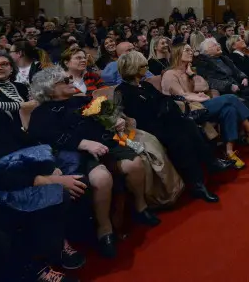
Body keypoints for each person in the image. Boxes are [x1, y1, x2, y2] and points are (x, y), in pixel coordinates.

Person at [0, 70, 85, 281]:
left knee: (73, 179)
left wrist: (48, 168)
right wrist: (42, 180)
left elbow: (25, 144)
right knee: (58, 192)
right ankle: (36, 266)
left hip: (18, 175)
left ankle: (55, 245)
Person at [29, 67, 160, 259]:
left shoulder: (81, 100)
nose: (71, 81)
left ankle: (141, 208)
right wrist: (81, 143)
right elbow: (45, 138)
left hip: (105, 143)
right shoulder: (41, 113)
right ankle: (104, 229)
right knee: (101, 178)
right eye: (65, 80)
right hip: (76, 155)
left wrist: (116, 121)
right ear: (49, 89)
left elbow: (105, 117)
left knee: (135, 164)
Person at [114, 51, 232, 204]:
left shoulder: (146, 85)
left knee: (187, 125)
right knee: (181, 135)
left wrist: (167, 106)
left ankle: (202, 178)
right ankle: (204, 173)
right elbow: (125, 115)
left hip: (165, 121)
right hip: (147, 128)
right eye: (143, 65)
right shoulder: (122, 91)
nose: (146, 67)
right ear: (133, 68)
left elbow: (163, 99)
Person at [161, 44, 249, 169]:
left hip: (199, 104)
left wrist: (192, 75)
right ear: (177, 54)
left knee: (229, 109)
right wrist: (200, 97)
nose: (191, 52)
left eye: (191, 49)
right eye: (186, 50)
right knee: (231, 98)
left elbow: (204, 86)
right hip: (188, 110)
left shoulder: (189, 71)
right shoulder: (170, 74)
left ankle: (229, 152)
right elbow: (180, 96)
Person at [0, 53, 39, 130]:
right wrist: (22, 105)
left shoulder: (21, 86)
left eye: (4, 64)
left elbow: (33, 106)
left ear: (11, 69)